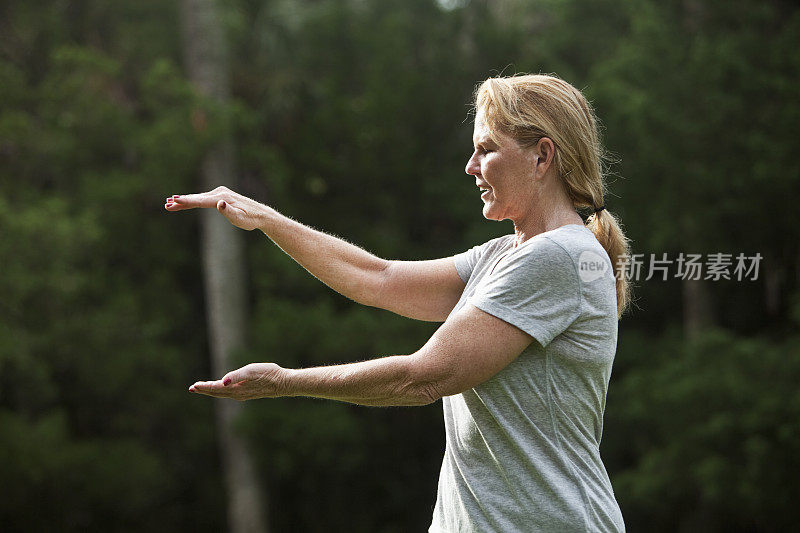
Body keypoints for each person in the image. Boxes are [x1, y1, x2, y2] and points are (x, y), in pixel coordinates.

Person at [165, 73, 631, 532]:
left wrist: (282, 381)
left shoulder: (559, 257)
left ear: (542, 156)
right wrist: (267, 219)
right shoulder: (502, 256)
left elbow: (423, 377)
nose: (470, 166)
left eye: (486, 149)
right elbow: (378, 278)